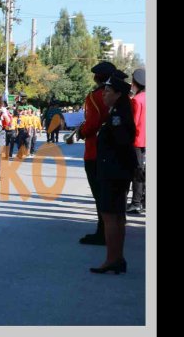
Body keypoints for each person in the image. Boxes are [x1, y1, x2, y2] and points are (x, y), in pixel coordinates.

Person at [90, 72, 138, 274]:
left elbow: (122, 144)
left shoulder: (117, 116)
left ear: (118, 94)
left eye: (108, 91)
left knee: (110, 216)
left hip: (113, 172)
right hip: (118, 171)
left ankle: (112, 259)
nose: (104, 94)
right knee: (117, 216)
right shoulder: (117, 113)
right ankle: (117, 258)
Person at [76, 61, 121, 245]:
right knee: (112, 194)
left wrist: (81, 132)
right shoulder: (121, 95)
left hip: (96, 150)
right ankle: (113, 230)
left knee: (100, 194)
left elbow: (92, 124)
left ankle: (103, 233)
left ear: (97, 77)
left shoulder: (95, 96)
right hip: (116, 150)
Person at [127, 68, 146, 215]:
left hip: (138, 141)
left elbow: (132, 124)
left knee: (137, 173)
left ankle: (136, 203)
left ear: (135, 83)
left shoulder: (136, 100)